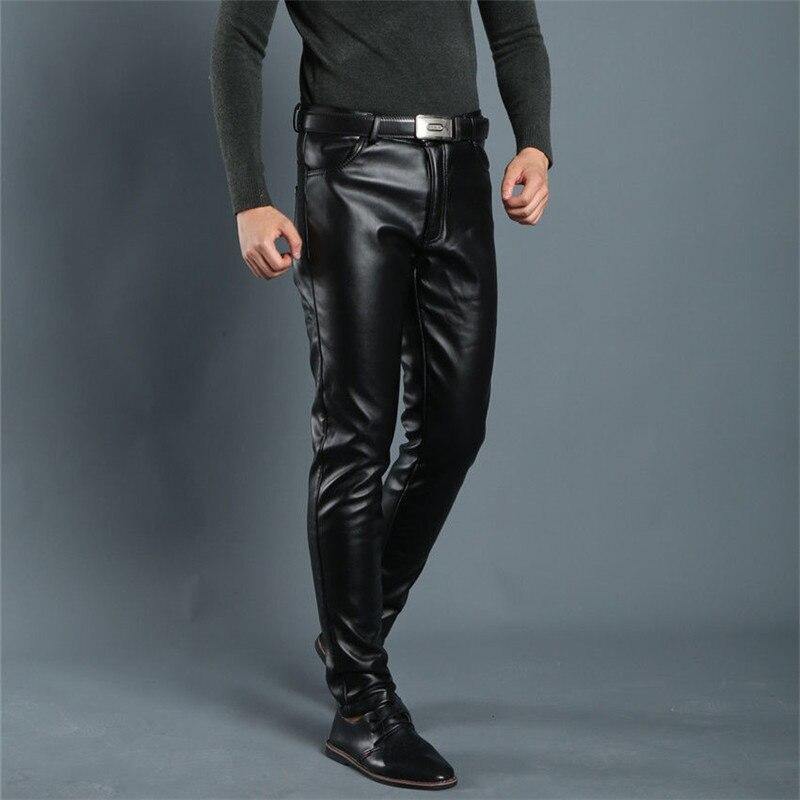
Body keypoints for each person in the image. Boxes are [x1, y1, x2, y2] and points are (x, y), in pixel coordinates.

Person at [210, 0, 552, 789]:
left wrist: (535, 141)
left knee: (454, 432)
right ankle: (361, 703)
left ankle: (350, 630)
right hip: (351, 167)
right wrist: (248, 196)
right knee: (354, 435)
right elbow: (237, 39)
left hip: (460, 169)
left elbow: (516, 28)